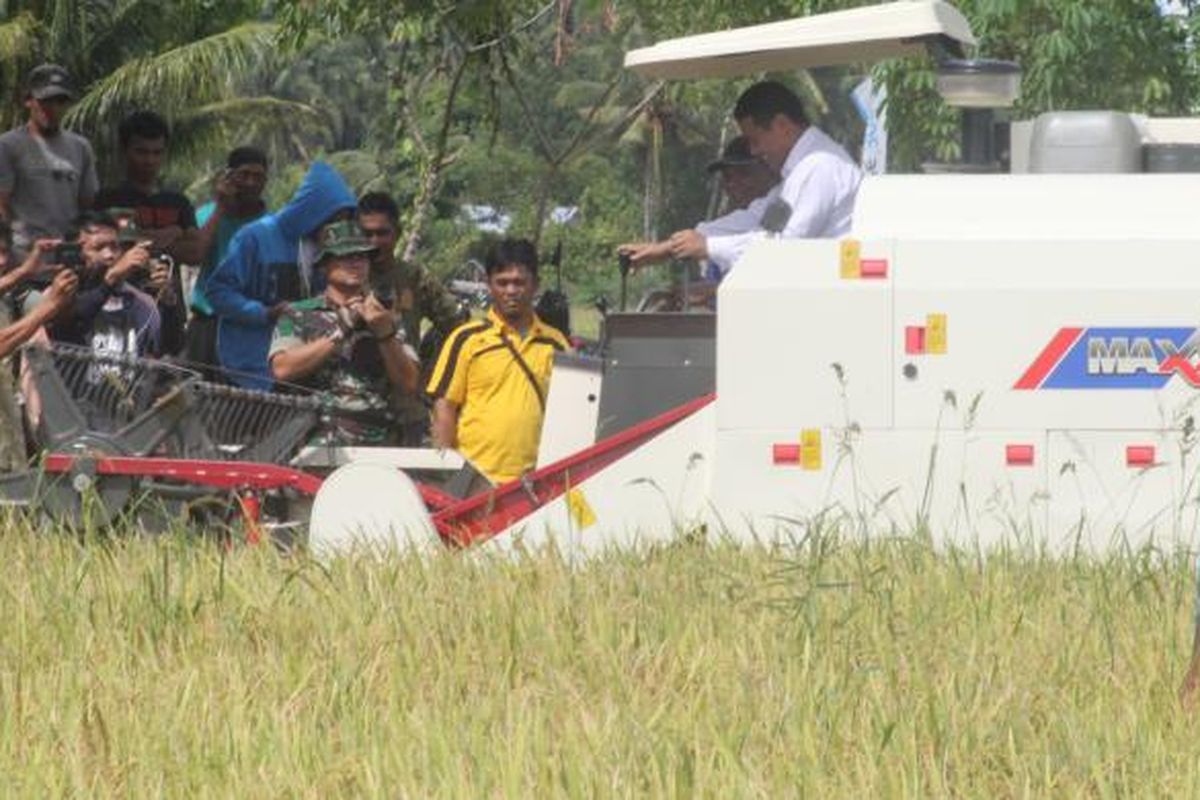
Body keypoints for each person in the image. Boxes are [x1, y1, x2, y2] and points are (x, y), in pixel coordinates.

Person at [620, 81, 861, 277]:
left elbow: (785, 248)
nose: (754, 152)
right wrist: (669, 248)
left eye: (755, 140)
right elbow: (758, 220)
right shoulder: (801, 171)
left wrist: (708, 247)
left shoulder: (818, 167)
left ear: (782, 125)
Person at [427, 238, 571, 485]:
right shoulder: (467, 339)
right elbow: (445, 406)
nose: (511, 291)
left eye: (519, 282)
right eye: (502, 282)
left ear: (535, 284)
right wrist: (450, 473)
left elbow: (569, 413)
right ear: (489, 285)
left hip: (535, 482)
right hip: (474, 481)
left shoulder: (556, 344)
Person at [205, 160, 356, 388]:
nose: (337, 227)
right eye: (333, 219)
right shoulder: (256, 237)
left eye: (344, 220)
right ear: (313, 210)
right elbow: (217, 292)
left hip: (303, 372)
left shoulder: (328, 252)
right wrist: (265, 313)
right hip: (249, 368)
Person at [269, 221, 420, 446]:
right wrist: (341, 329)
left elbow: (409, 382)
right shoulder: (298, 314)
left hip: (379, 442)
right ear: (324, 265)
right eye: (345, 256)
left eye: (362, 256)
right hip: (315, 442)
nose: (355, 262)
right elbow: (282, 368)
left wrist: (385, 334)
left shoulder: (386, 316)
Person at [357, 191, 462, 443]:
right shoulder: (346, 277)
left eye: (382, 233)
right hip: (357, 406)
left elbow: (458, 328)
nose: (374, 241)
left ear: (397, 233)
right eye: (366, 234)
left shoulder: (414, 277)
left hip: (406, 406)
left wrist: (432, 373)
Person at [0, 222, 78, 470]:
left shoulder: (11, 294)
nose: (2, 261)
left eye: (3, 251)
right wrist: (48, 307)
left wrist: (25, 271)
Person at [0, 64, 98, 260]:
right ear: (28, 100)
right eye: (45, 100)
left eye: (60, 101)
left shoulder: (80, 147)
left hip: (68, 260)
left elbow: (88, 206)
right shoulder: (9, 146)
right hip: (24, 263)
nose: (53, 108)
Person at [187, 146, 270, 373]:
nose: (251, 183)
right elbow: (196, 255)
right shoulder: (206, 215)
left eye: (258, 177)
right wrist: (221, 208)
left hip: (247, 328)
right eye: (244, 175)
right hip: (206, 323)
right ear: (229, 176)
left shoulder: (272, 225)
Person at [46, 212, 162, 359]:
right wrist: (111, 279)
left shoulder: (140, 302)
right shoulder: (59, 294)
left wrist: (167, 301)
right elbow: (73, 319)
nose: (109, 255)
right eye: (98, 248)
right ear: (75, 253)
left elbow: (166, 347)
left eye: (114, 247)